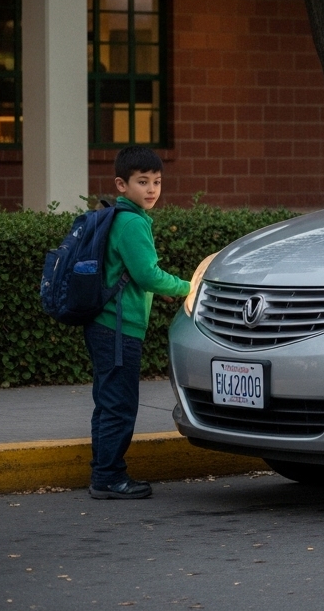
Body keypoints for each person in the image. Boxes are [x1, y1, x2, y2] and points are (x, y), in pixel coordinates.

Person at [86, 147, 192, 500]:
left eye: (157, 182)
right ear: (121, 184)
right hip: (119, 330)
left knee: (107, 401)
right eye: (142, 181)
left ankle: (103, 472)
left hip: (104, 326)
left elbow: (132, 274)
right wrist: (187, 287)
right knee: (119, 404)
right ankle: (109, 477)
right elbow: (147, 274)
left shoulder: (121, 217)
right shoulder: (132, 223)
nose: (151, 189)